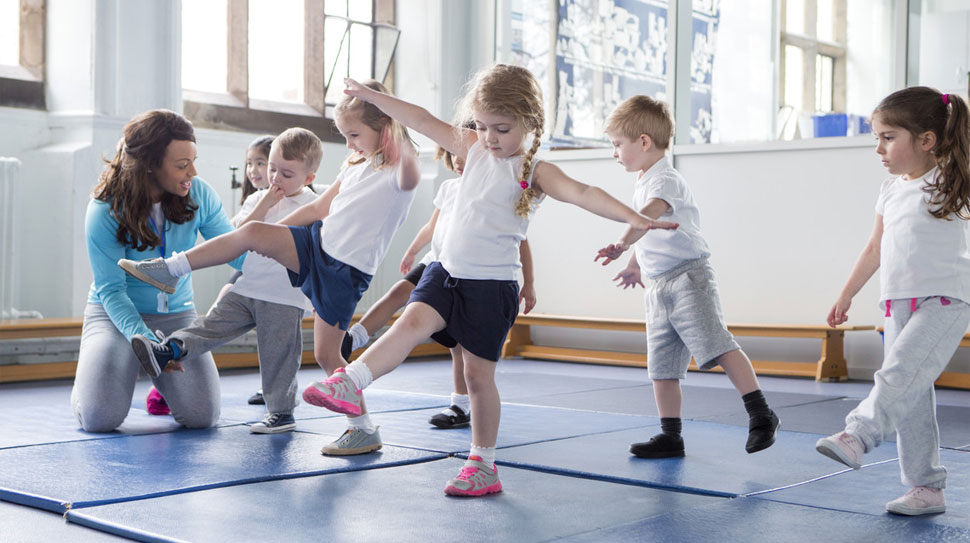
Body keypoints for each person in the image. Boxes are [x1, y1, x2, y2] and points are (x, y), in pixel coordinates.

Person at [301, 65, 677, 497]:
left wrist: (635, 218)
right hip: (446, 272)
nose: (490, 137)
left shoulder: (534, 170)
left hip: (491, 286)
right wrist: (375, 98)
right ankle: (351, 382)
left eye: (501, 128)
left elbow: (584, 193)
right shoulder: (473, 147)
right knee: (408, 324)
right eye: (481, 126)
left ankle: (483, 463)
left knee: (479, 378)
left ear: (530, 123)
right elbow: (421, 119)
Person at [118, 80, 421, 455]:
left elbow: (409, 170)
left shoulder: (400, 172)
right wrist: (269, 236)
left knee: (328, 356)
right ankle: (169, 270)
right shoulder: (355, 163)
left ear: (386, 128)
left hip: (344, 270)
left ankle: (363, 429)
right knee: (252, 233)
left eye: (354, 134)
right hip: (316, 247)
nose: (349, 144)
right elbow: (316, 210)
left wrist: (387, 110)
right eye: (344, 135)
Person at [594, 95, 780, 460]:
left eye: (618, 145)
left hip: (688, 279)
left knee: (717, 344)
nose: (614, 153)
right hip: (659, 284)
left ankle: (761, 413)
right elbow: (650, 229)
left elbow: (646, 217)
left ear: (644, 142)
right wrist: (634, 263)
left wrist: (620, 242)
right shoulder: (645, 179)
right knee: (662, 366)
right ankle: (671, 435)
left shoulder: (666, 179)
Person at [816, 87, 970, 516]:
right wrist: (846, 293)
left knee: (898, 375)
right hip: (897, 302)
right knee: (911, 397)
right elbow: (874, 248)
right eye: (876, 138)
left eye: (888, 137)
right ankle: (926, 488)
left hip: (946, 300)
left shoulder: (954, 179)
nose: (879, 149)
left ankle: (858, 435)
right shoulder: (888, 189)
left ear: (926, 140)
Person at [130, 128, 319, 434]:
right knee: (211, 324)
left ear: (308, 178)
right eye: (272, 169)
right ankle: (167, 350)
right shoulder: (258, 199)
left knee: (278, 354)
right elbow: (237, 235)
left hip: (284, 294)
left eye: (286, 174)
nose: (275, 179)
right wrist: (266, 202)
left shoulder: (312, 206)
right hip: (248, 286)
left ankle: (282, 412)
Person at [71, 109, 243, 432]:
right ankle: (91, 384)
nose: (192, 171)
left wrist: (284, 265)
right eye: (182, 165)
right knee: (99, 418)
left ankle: (162, 386)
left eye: (193, 160)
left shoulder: (199, 194)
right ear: (150, 164)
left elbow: (234, 251)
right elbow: (111, 290)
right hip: (115, 314)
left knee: (202, 416)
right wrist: (149, 344)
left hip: (176, 316)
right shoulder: (104, 209)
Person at [342, 148, 537, 429]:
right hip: (436, 263)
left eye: (465, 154)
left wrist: (529, 283)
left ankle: (459, 405)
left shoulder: (495, 192)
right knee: (398, 292)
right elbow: (432, 227)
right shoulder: (449, 188)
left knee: (459, 346)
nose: (458, 159)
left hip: (470, 273)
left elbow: (522, 241)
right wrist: (411, 251)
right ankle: (355, 337)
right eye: (453, 153)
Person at [146, 135, 277, 414]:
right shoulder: (254, 199)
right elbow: (234, 235)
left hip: (277, 276)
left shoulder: (298, 199)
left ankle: (273, 388)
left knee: (275, 330)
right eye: (249, 163)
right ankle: (167, 376)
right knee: (219, 308)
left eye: (261, 163)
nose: (253, 170)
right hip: (249, 269)